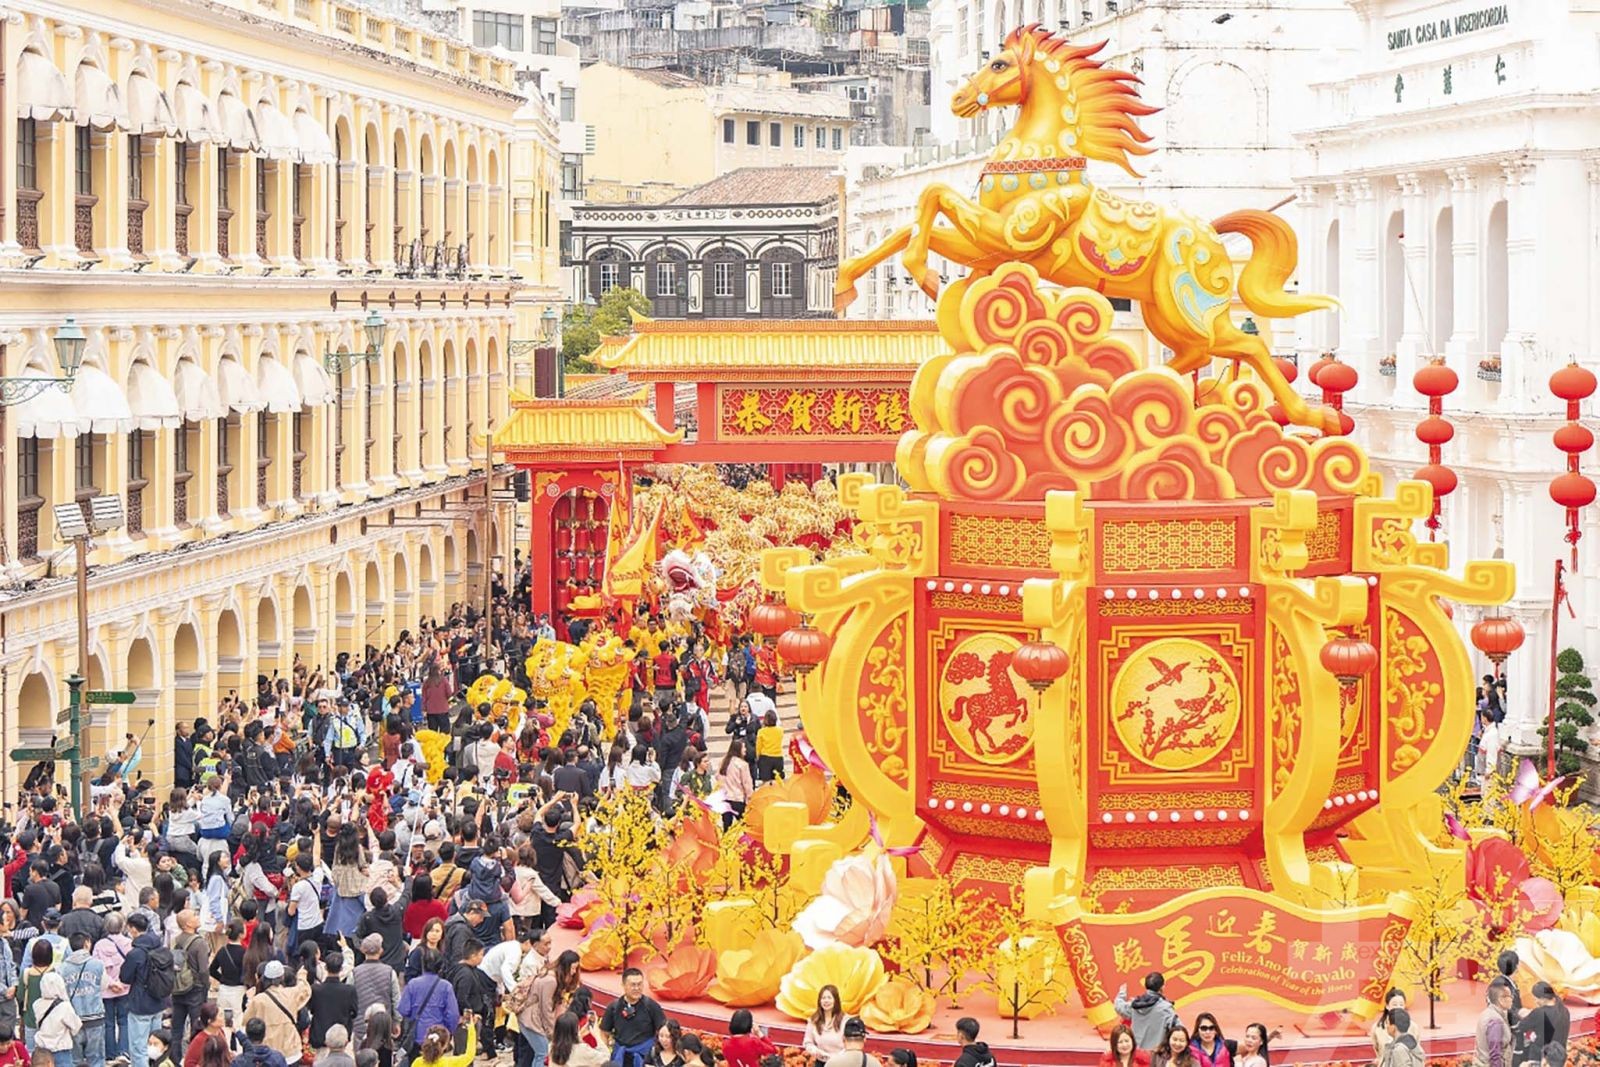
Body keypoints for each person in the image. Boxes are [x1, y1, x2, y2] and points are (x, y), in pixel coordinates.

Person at [118, 914, 170, 1067]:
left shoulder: (135, 954)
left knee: (139, 1048)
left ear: (133, 929)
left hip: (140, 1004)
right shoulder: (161, 948)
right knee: (156, 1046)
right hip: (159, 1001)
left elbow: (125, 977)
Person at [239, 961, 310, 1063]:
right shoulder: (291, 994)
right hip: (291, 1050)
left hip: (270, 1053)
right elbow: (305, 989)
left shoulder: (259, 1000)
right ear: (282, 977)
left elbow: (246, 1021)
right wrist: (301, 975)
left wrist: (249, 1000)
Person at [597, 969, 664, 1067]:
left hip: (644, 1057)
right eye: (633, 985)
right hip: (620, 1057)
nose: (637, 988)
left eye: (639, 984)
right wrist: (605, 1054)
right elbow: (604, 1033)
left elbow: (663, 1031)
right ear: (623, 985)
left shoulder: (651, 1006)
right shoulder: (614, 1007)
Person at [395, 952, 458, 1057]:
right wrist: (448, 1032)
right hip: (438, 1037)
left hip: (416, 1036)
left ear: (423, 965)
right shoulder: (446, 987)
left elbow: (403, 1009)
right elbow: (453, 1015)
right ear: (440, 968)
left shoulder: (413, 984)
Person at [60, 933, 105, 1067]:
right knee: (96, 1059)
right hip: (95, 1017)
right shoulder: (98, 964)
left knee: (75, 1060)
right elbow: (104, 986)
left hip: (73, 1019)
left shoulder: (62, 968)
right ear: (87, 943)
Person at [92, 912, 131, 1064]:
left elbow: (97, 969)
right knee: (124, 1020)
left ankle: (109, 1054)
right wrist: (121, 983)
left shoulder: (99, 945)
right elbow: (132, 966)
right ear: (122, 926)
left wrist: (110, 983)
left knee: (108, 1022)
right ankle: (123, 1051)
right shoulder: (129, 943)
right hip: (124, 988)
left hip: (106, 990)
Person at [169, 912, 211, 1049]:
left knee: (176, 1028)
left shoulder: (174, 941)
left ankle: (174, 1056)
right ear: (187, 924)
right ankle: (195, 1055)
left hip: (177, 987)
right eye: (194, 915)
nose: (198, 916)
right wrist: (206, 985)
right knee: (197, 1026)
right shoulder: (199, 943)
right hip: (195, 988)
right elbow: (203, 970)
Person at [351, 936, 400, 1049]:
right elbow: (396, 1000)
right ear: (381, 950)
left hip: (360, 1024)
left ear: (363, 950)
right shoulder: (389, 972)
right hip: (384, 1023)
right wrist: (397, 1021)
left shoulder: (354, 972)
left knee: (361, 1054)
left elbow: (349, 999)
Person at [308, 952, 359, 1055]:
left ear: (325, 967)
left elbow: (312, 1009)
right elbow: (354, 1012)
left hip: (320, 1036)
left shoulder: (316, 989)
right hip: (342, 1037)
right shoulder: (349, 990)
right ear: (341, 969)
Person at [1115, 973, 1179, 1052]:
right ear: (1162, 987)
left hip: (1136, 1053)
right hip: (1157, 1054)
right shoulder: (1166, 1009)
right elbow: (1179, 1029)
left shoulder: (1135, 1005)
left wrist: (1122, 993)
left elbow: (1119, 1007)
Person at [30, 972, 81, 1067]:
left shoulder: (36, 1004)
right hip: (61, 1050)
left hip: (42, 1051)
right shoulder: (64, 1006)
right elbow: (76, 1027)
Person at [1518, 982, 1569, 1066]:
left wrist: (1524, 1014)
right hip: (1559, 1055)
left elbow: (1521, 1026)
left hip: (1541, 1056)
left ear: (1542, 998)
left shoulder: (1539, 1013)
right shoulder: (1564, 1010)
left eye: (1535, 999)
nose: (1535, 1002)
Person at [207, 921, 247, 1026]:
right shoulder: (244, 952)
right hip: (239, 989)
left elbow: (212, 970)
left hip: (224, 989)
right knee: (238, 1018)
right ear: (241, 935)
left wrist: (222, 978)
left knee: (222, 1018)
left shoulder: (222, 951)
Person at [803, 985, 845, 1066]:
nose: (826, 1001)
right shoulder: (814, 1020)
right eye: (823, 998)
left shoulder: (845, 1020)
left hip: (840, 1063)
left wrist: (835, 1058)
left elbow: (850, 1046)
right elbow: (808, 1042)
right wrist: (815, 1051)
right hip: (820, 1062)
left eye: (829, 998)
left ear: (836, 1000)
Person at [1476, 980, 1514, 1067]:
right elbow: (1495, 1055)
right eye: (1509, 996)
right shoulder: (1496, 1021)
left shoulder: (1487, 1013)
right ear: (1501, 999)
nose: (1512, 999)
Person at [412, 1019, 476, 1067]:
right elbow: (469, 1056)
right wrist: (471, 1029)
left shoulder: (417, 1062)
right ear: (445, 1045)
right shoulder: (449, 1063)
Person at [1373, 989, 1410, 1059]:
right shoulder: (1377, 1028)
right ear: (1387, 1006)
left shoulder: (1413, 1027)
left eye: (1401, 1005)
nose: (1398, 1007)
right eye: (1394, 1004)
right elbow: (1377, 1050)